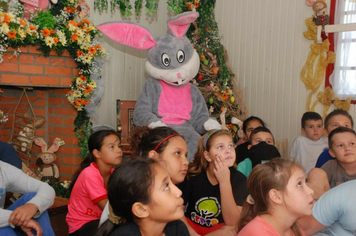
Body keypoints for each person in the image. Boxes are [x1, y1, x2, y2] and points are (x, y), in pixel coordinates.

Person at [99, 126, 189, 226]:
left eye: (186, 155)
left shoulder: (173, 190)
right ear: (154, 157)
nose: (186, 162)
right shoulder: (133, 189)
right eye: (177, 153)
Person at [178, 129, 248, 235]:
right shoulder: (193, 175)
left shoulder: (240, 180)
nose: (228, 150)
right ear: (207, 156)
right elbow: (176, 212)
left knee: (233, 230)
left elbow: (233, 222)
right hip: (192, 227)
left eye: (230, 146)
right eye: (220, 147)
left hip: (219, 229)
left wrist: (224, 182)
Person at [95, 158, 190, 236]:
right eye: (166, 187)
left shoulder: (177, 228)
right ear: (141, 209)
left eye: (171, 183)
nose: (179, 192)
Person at [66, 129, 123, 236]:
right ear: (97, 153)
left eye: (119, 146)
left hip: (103, 220)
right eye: (112, 147)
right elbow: (108, 208)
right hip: (82, 225)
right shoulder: (90, 174)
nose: (119, 150)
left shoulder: (114, 173)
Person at [237, 159, 314, 236]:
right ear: (276, 196)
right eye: (299, 184)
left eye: (305, 182)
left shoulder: (293, 229)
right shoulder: (259, 233)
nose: (311, 191)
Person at [0, 160, 55, 236]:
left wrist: (33, 205)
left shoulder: (4, 169)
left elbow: (47, 188)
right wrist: (18, 217)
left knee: (32, 197)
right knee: (3, 228)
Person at [307, 127, 356, 199]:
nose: (347, 148)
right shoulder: (331, 166)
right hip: (333, 208)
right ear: (332, 152)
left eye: (352, 143)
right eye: (340, 145)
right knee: (315, 172)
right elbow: (312, 191)